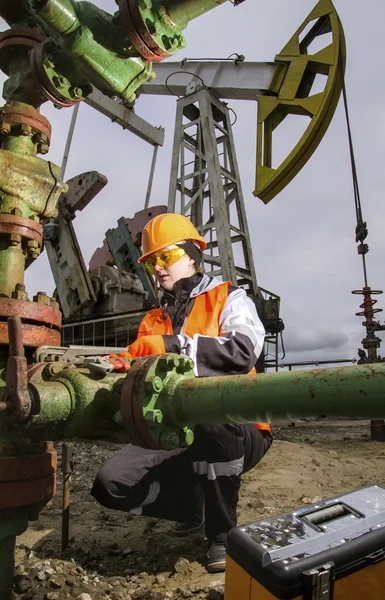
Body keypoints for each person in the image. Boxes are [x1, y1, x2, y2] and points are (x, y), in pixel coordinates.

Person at [91, 213, 272, 573]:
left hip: (240, 428)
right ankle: (189, 506)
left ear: (192, 255)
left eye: (165, 256)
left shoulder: (229, 297)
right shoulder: (152, 320)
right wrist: (124, 365)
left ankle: (223, 534)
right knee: (110, 485)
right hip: (175, 428)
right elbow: (143, 374)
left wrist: (171, 346)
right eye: (150, 261)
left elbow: (242, 352)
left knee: (213, 423)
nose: (157, 267)